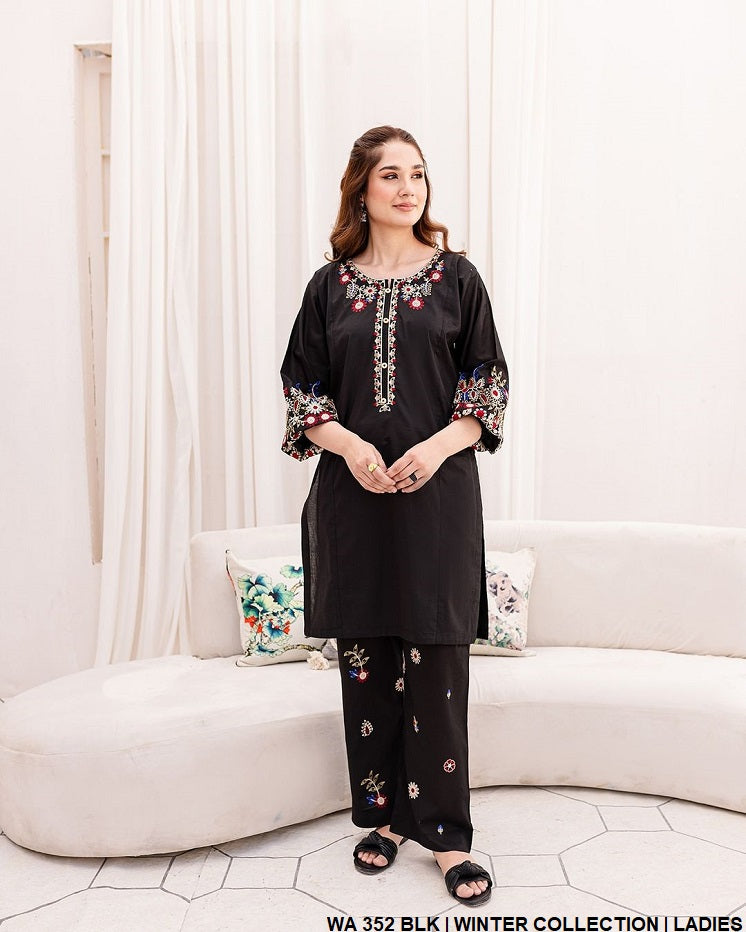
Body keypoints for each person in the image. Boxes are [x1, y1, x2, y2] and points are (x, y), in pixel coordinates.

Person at [279, 125, 508, 907]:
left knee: (437, 664)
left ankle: (446, 837)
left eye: (417, 174)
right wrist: (349, 447)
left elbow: (487, 382)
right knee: (367, 661)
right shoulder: (328, 288)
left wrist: (438, 448)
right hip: (355, 503)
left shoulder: (457, 279)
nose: (408, 188)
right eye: (391, 176)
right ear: (362, 189)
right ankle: (382, 817)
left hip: (438, 501)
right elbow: (303, 390)